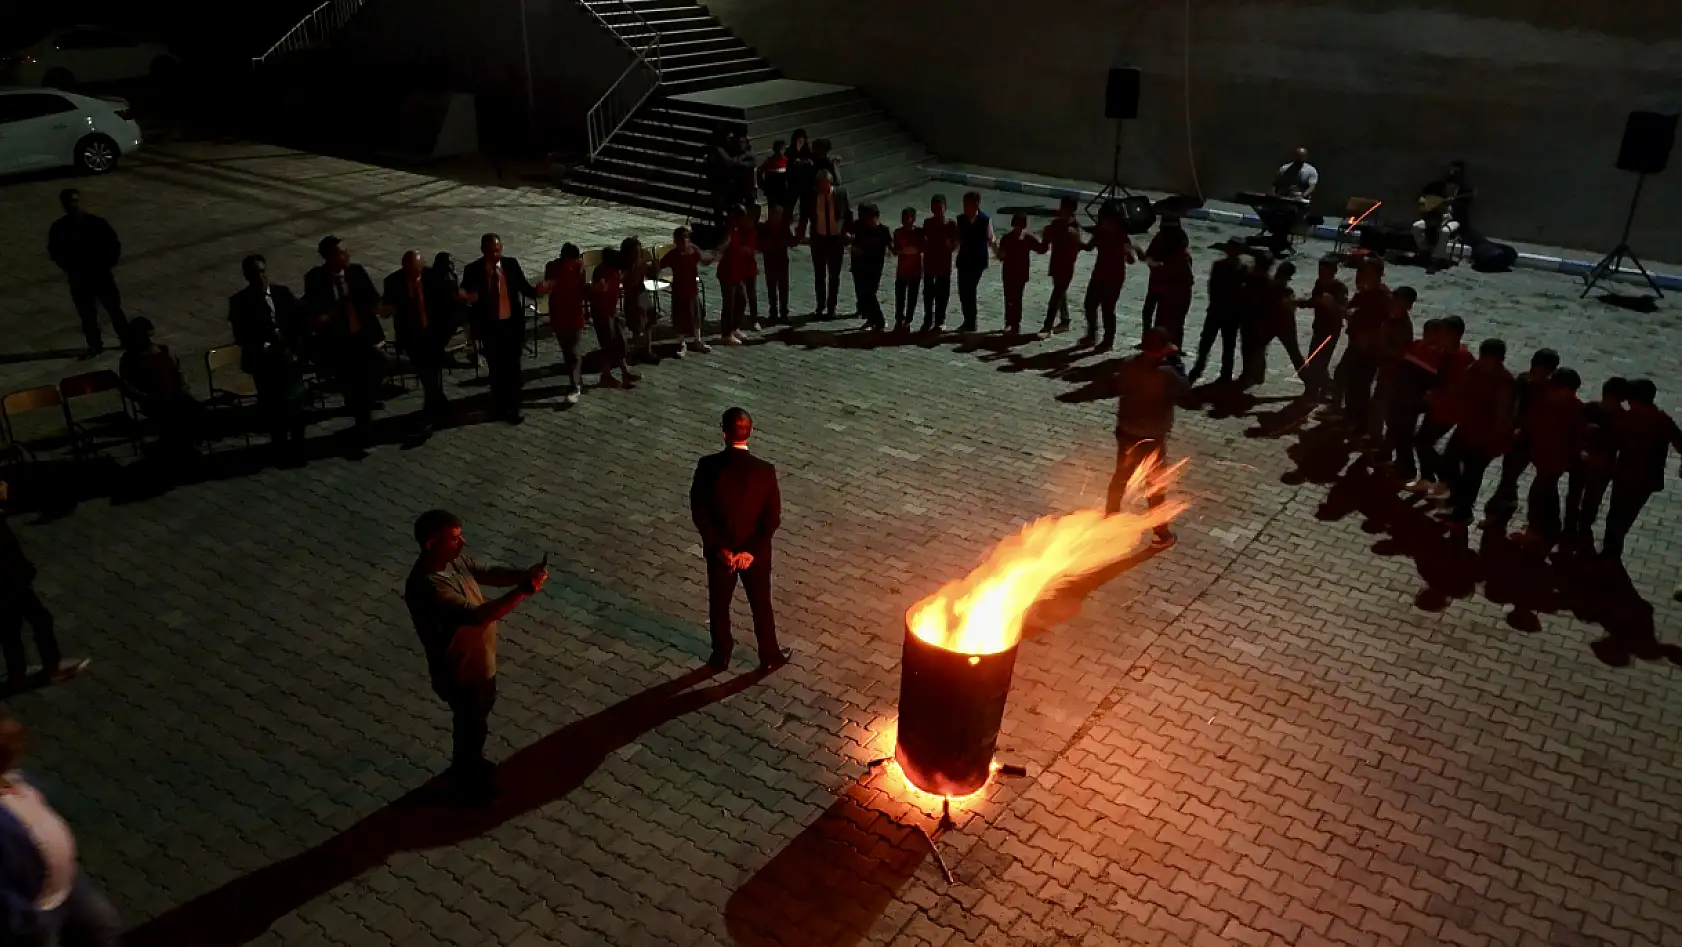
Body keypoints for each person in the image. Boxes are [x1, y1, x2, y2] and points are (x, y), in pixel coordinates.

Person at [404, 510, 547, 803]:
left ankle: (471, 764)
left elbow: (487, 573)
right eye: (454, 538)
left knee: (477, 719)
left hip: (480, 664)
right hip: (460, 671)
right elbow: (479, 616)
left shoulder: (453, 562)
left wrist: (522, 575)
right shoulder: (427, 587)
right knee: (470, 722)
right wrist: (521, 591)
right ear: (431, 543)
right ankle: (466, 778)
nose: (462, 543)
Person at [0, 715, 122, 946]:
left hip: (67, 883)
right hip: (37, 908)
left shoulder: (14, 777)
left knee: (104, 928)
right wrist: (27, 925)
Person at [689, 409, 790, 672]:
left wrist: (719, 547)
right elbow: (771, 519)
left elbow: (699, 511)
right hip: (754, 554)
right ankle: (769, 656)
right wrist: (750, 552)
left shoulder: (707, 466)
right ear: (750, 432)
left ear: (723, 433)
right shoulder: (765, 471)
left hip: (720, 553)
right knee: (761, 604)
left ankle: (721, 655)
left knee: (719, 605)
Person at [0, 482, 89, 693]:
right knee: (40, 619)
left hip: (7, 583)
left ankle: (17, 674)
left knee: (9, 628)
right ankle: (53, 665)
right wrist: (25, 572)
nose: (4, 486)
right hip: (11, 582)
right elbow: (6, 554)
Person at [1106, 328, 1186, 548]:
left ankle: (1109, 519)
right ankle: (1161, 533)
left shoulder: (1129, 364)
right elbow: (1185, 391)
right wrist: (1176, 360)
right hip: (1151, 436)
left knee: (1121, 477)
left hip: (1126, 430)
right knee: (1155, 484)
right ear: (1162, 349)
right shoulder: (1167, 373)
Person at [303, 236, 385, 447]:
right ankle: (363, 424)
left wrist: (380, 308)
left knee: (376, 367)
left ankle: (362, 409)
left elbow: (373, 299)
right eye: (341, 253)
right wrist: (334, 310)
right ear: (329, 257)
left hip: (362, 335)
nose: (346, 256)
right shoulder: (316, 279)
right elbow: (315, 312)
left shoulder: (356, 272)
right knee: (356, 382)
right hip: (338, 341)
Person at [229, 254, 309, 451]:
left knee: (296, 404)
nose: (261, 277)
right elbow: (241, 336)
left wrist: (292, 343)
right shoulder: (240, 302)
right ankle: (280, 445)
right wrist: (267, 347)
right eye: (255, 274)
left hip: (289, 356)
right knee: (274, 407)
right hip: (264, 361)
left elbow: (299, 320)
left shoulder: (282, 293)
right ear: (247, 276)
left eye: (262, 272)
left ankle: (299, 444)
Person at [1600, 379, 1682, 563]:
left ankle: (1609, 556)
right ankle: (1611, 554)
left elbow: (1612, 442)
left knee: (1615, 517)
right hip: (1647, 480)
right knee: (1625, 517)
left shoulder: (1629, 418)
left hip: (1625, 476)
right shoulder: (1662, 420)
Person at [461, 233, 539, 425]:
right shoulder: (473, 270)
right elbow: (464, 291)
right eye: (491, 251)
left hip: (511, 325)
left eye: (498, 250)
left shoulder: (510, 265)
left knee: (513, 369)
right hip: (491, 327)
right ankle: (498, 405)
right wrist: (466, 297)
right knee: (496, 370)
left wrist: (539, 291)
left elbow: (524, 288)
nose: (495, 255)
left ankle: (514, 406)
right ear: (483, 250)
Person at [1440, 338, 1514, 530]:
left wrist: (1495, 441)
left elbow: (1503, 416)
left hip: (1484, 437)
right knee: (1449, 461)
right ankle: (1457, 500)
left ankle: (1463, 512)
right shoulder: (1474, 370)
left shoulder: (1503, 383)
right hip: (1466, 428)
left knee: (1472, 475)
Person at [47, 189, 128, 359]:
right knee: (87, 315)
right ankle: (95, 345)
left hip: (100, 275)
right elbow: (54, 251)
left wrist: (106, 264)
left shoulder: (96, 223)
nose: (73, 205)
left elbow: (113, 244)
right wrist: (69, 267)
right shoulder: (59, 228)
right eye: (70, 202)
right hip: (80, 277)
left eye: (75, 200)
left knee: (114, 309)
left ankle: (126, 339)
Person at [1512, 368, 1584, 549]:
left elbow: (1575, 437)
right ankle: (1551, 528)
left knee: (1538, 494)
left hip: (1554, 460)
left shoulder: (1571, 409)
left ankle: (1536, 531)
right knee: (1549, 492)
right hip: (1546, 458)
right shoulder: (1554, 404)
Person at [1485, 348, 1561, 518]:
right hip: (1518, 434)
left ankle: (1500, 505)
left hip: (1531, 437)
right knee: (1509, 471)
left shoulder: (1547, 390)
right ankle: (1507, 501)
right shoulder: (1524, 381)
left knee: (1512, 473)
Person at [383, 251, 450, 428]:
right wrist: (387, 310)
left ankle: (432, 411)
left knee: (431, 373)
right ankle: (438, 404)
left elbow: (445, 305)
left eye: (416, 270)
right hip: (412, 336)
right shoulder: (393, 282)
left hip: (434, 334)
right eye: (409, 270)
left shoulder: (433, 278)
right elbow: (386, 306)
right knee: (427, 373)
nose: (413, 274)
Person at [117, 318, 201, 460]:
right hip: (152, 401)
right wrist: (146, 397)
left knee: (189, 407)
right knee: (172, 410)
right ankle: (180, 447)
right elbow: (127, 387)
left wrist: (182, 389)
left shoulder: (165, 352)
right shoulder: (129, 360)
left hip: (174, 395)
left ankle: (185, 444)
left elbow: (179, 374)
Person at [1564, 377, 1629, 548]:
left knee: (1591, 500)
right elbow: (1574, 432)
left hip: (1601, 467)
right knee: (1574, 497)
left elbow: (1621, 444)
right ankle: (1571, 528)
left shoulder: (1620, 419)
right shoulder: (1591, 409)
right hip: (1584, 463)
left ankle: (1583, 528)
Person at [1411, 316, 1472, 494]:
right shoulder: (1446, 353)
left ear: (1454, 334)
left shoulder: (1463, 358)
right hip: (1437, 407)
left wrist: (1435, 395)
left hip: (1449, 411)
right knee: (1422, 441)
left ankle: (1447, 480)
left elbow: (1457, 388)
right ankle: (1429, 478)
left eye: (1443, 333)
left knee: (1424, 442)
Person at [1334, 258, 1391, 438]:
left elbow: (1385, 325)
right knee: (1348, 381)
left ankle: (1360, 424)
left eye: (1367, 273)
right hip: (1356, 344)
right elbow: (1349, 309)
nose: (1362, 276)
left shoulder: (1384, 297)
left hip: (1370, 350)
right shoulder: (1363, 293)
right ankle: (1349, 417)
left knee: (1361, 387)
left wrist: (1371, 337)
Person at [1187, 240, 1246, 384]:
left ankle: (1215, 370)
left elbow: (1213, 287)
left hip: (1223, 310)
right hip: (1225, 310)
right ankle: (1216, 371)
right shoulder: (1240, 268)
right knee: (1215, 342)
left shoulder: (1224, 266)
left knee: (1221, 343)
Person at [1242, 259, 1308, 386]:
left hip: (1277, 326)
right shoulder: (1282, 290)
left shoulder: (1274, 288)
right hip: (1279, 326)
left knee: (1262, 349)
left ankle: (1256, 377)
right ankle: (1310, 383)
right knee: (1292, 354)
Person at [1082, 201, 1137, 351]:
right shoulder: (1100, 232)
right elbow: (1089, 246)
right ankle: (1092, 334)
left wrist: (1129, 252)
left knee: (1107, 309)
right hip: (1099, 274)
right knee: (1089, 305)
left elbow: (1131, 259)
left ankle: (1108, 340)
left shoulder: (1122, 237)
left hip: (1114, 278)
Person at [543, 244, 589, 404]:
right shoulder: (553, 267)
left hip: (574, 311)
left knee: (574, 349)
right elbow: (547, 286)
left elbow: (582, 288)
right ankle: (575, 379)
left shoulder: (579, 267)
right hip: (559, 312)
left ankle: (575, 384)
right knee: (567, 349)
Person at [656, 227, 711, 356]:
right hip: (679, 290)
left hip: (692, 289)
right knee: (680, 317)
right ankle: (681, 343)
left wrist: (714, 256)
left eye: (686, 237)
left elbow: (703, 260)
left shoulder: (694, 250)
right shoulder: (673, 254)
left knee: (695, 315)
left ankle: (697, 340)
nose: (684, 241)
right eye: (680, 239)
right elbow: (660, 264)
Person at [589, 247, 639, 388]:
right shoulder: (601, 271)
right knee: (609, 345)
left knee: (619, 342)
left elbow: (620, 277)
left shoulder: (614, 270)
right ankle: (608, 375)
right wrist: (598, 287)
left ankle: (623, 372)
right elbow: (596, 289)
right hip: (602, 313)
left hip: (612, 311)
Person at [1140, 216, 1192, 348]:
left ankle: (1162, 345)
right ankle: (1155, 343)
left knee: (1161, 318)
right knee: (1153, 315)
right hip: (1159, 285)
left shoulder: (1178, 252)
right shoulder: (1170, 242)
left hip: (1165, 288)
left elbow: (1152, 261)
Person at [1301, 256, 1348, 400]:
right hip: (1319, 327)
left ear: (1333, 272)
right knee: (1314, 359)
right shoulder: (1319, 284)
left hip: (1331, 329)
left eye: (1325, 272)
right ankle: (1320, 388)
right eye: (1320, 272)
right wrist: (1300, 303)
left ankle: (1326, 388)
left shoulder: (1339, 288)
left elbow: (1344, 309)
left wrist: (1332, 304)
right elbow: (1315, 302)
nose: (1322, 275)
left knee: (1320, 361)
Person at [1412, 160, 1472, 269]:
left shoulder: (1465, 191)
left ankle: (1438, 258)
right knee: (1416, 227)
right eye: (1452, 170)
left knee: (1444, 231)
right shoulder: (1436, 187)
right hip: (1433, 218)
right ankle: (1425, 252)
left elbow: (1464, 210)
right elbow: (1423, 197)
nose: (1453, 173)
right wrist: (1427, 203)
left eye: (1456, 171)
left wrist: (1452, 204)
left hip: (1452, 220)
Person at [807, 172, 850, 320]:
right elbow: (806, 215)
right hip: (819, 238)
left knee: (834, 275)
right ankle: (820, 306)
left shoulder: (840, 194)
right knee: (819, 274)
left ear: (831, 184)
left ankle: (831, 307)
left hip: (835, 239)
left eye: (826, 186)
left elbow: (847, 214)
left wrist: (846, 232)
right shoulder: (812, 196)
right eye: (821, 186)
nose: (823, 189)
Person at [1258, 146, 1318, 254]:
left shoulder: (1310, 171)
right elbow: (1276, 184)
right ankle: (1280, 238)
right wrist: (1274, 195)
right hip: (1282, 199)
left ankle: (1279, 239)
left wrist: (1303, 196)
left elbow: (1311, 187)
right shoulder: (1284, 169)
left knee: (1289, 214)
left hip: (1298, 201)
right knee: (1264, 211)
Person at [1038, 196, 1083, 336]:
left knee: (1056, 294)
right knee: (1060, 292)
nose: (1061, 210)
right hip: (1056, 263)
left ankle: (1047, 326)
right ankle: (1065, 321)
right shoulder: (1056, 223)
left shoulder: (1073, 228)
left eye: (1065, 208)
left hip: (1067, 266)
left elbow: (1078, 246)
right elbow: (1045, 244)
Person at [953, 192, 996, 333]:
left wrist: (998, 253)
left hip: (977, 261)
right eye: (964, 204)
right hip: (964, 260)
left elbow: (991, 239)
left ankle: (971, 322)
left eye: (968, 204)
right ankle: (968, 320)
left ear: (977, 204)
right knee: (963, 292)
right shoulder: (961, 220)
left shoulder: (985, 220)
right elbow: (958, 239)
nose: (965, 207)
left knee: (970, 290)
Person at [995, 213, 1043, 336]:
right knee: (1010, 299)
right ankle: (1010, 323)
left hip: (1017, 273)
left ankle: (1014, 324)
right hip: (1012, 273)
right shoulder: (1025, 238)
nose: (1018, 228)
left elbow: (1040, 248)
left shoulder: (1013, 238)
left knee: (1015, 299)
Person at [848, 203, 892, 331]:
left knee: (870, 293)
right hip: (859, 265)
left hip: (874, 267)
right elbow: (847, 234)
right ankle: (871, 319)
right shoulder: (859, 226)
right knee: (863, 294)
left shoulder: (883, 231)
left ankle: (879, 321)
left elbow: (891, 246)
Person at [919, 194, 959, 333]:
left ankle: (940, 320)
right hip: (930, 262)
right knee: (928, 293)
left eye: (939, 208)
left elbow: (956, 243)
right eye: (934, 208)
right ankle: (928, 318)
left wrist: (950, 246)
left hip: (944, 263)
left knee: (942, 293)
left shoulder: (951, 224)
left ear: (945, 208)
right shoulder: (928, 223)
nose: (937, 211)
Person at [621, 236, 658, 362]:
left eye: (639, 250)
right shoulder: (625, 267)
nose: (639, 253)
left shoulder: (640, 263)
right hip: (632, 300)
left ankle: (647, 351)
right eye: (636, 251)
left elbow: (651, 274)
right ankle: (634, 352)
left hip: (643, 297)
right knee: (636, 328)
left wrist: (655, 267)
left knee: (648, 325)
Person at [759, 204, 794, 325]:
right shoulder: (765, 228)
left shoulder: (784, 228)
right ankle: (773, 312)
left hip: (782, 261)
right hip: (770, 261)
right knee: (772, 288)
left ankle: (784, 312)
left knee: (783, 287)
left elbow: (791, 241)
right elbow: (760, 244)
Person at [891, 207, 924, 333]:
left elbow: (924, 247)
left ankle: (908, 321)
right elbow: (895, 250)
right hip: (902, 270)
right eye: (903, 218)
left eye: (907, 218)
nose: (905, 221)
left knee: (912, 297)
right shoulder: (898, 232)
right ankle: (899, 320)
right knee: (900, 296)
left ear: (913, 219)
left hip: (915, 270)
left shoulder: (919, 233)